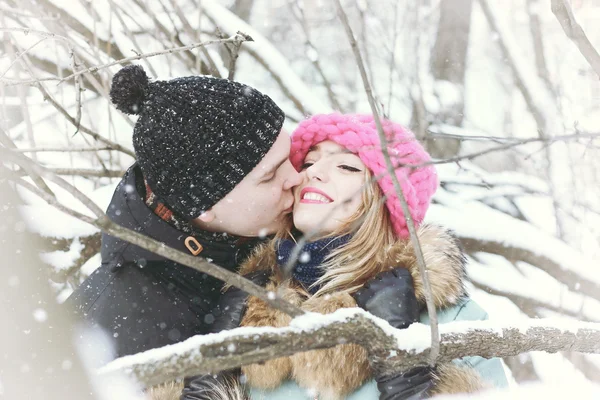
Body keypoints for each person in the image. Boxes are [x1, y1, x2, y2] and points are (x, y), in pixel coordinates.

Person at [176, 113, 508, 400]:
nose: (312, 173)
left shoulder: (451, 322)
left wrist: (409, 381)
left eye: (347, 165)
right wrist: (208, 381)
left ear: (386, 203)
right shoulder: (238, 304)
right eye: (307, 162)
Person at [66, 64, 303, 358]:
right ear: (203, 206)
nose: (296, 177)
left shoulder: (258, 228)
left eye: (289, 156)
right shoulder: (129, 333)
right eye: (270, 176)